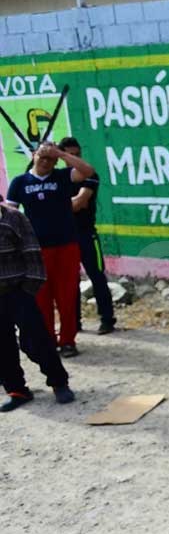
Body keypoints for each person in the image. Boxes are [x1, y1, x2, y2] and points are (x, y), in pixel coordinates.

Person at [5, 142, 96, 358]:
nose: (46, 162)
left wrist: (61, 153)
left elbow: (87, 171)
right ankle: (47, 339)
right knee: (41, 297)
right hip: (35, 250)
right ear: (34, 155)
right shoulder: (20, 182)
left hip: (66, 244)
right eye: (42, 157)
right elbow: (11, 215)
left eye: (50, 159)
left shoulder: (62, 177)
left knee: (67, 296)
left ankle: (68, 340)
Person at [0, 200, 74, 410]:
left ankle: (59, 382)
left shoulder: (13, 218)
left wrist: (28, 291)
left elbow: (33, 255)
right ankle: (17, 390)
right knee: (2, 346)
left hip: (18, 291)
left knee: (35, 340)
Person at [59, 138, 115, 335]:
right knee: (69, 281)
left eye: (77, 155)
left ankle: (107, 319)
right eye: (69, 155)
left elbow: (79, 202)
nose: (74, 158)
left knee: (97, 277)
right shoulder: (58, 177)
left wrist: (53, 205)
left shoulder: (90, 175)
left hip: (86, 234)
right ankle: (74, 323)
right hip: (65, 237)